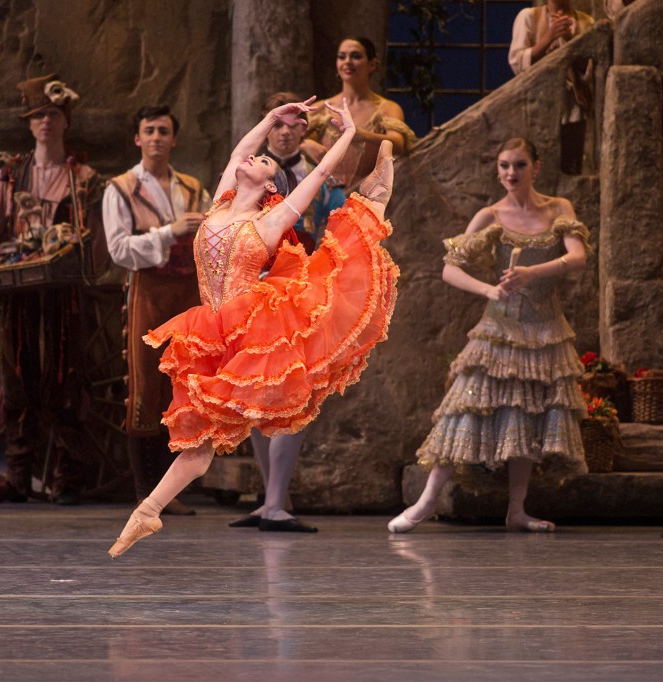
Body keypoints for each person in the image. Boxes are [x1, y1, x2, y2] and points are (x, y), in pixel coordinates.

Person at [108, 97, 399, 557]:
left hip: (252, 329)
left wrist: (346, 134)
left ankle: (376, 196)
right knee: (201, 441)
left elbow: (319, 176)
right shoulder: (221, 204)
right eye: (257, 153)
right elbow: (234, 154)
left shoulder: (269, 220)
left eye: (262, 161)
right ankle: (148, 511)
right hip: (210, 330)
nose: (254, 156)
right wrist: (269, 119)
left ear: (269, 185)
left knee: (237, 424)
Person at [388, 137, 589, 535]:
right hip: (499, 327)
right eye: (504, 166)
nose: (511, 173)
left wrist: (533, 272)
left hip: (545, 328)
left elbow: (578, 257)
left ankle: (517, 508)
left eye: (519, 165)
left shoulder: (559, 209)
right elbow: (450, 268)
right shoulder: (490, 215)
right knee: (464, 407)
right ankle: (426, 501)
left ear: (536, 167)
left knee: (527, 415)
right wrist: (489, 290)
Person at [0, 74, 103, 506]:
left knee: (66, 380)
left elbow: (95, 238)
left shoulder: (82, 178)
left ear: (65, 121)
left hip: (63, 292)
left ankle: (67, 478)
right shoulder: (12, 177)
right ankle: (17, 477)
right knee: (16, 379)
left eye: (52, 114)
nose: (45, 122)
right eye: (37, 117)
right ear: (28, 125)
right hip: (19, 293)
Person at [230, 92, 347, 534]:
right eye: (278, 123)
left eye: (294, 123)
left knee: (294, 392)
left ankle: (278, 501)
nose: (284, 130)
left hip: (300, 292)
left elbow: (335, 231)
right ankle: (270, 500)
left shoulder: (322, 179)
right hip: (252, 291)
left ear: (304, 128)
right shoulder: (248, 175)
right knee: (257, 396)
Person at [102, 105, 212, 516]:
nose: (156, 138)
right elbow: (118, 249)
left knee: (181, 386)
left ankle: (170, 490)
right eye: (149, 131)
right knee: (146, 383)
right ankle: (145, 490)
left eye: (164, 131)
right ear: (137, 138)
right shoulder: (121, 188)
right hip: (148, 291)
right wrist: (169, 232)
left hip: (187, 293)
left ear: (174, 139)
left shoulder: (192, 187)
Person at [301, 36, 416, 191]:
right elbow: (290, 140)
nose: (347, 61)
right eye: (342, 57)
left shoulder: (386, 108)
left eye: (355, 56)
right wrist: (304, 144)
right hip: (324, 200)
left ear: (372, 64)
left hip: (367, 201)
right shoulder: (322, 108)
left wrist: (359, 134)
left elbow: (399, 144)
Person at [508, 1, 594, 175]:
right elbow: (517, 61)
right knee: (537, 167)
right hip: (538, 108)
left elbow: (590, 68)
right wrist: (549, 36)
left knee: (571, 167)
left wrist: (571, 41)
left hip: (573, 111)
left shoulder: (586, 23)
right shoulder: (529, 17)